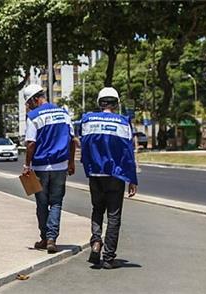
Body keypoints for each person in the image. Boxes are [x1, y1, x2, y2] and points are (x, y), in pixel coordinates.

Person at [80, 87, 138, 269]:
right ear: (116, 104)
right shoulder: (123, 123)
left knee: (97, 209)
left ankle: (96, 240)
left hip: (95, 173)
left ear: (100, 103)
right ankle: (108, 257)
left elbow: (84, 147)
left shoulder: (87, 120)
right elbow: (128, 153)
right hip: (115, 174)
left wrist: (88, 168)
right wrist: (132, 178)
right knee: (114, 216)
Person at [22, 84, 77, 254]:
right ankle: (52, 238)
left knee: (42, 203)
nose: (28, 107)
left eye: (29, 103)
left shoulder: (33, 116)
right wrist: (71, 162)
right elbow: (72, 140)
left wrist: (27, 165)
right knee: (56, 202)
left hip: (40, 167)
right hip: (60, 165)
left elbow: (31, 143)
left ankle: (45, 237)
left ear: (34, 99)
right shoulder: (63, 113)